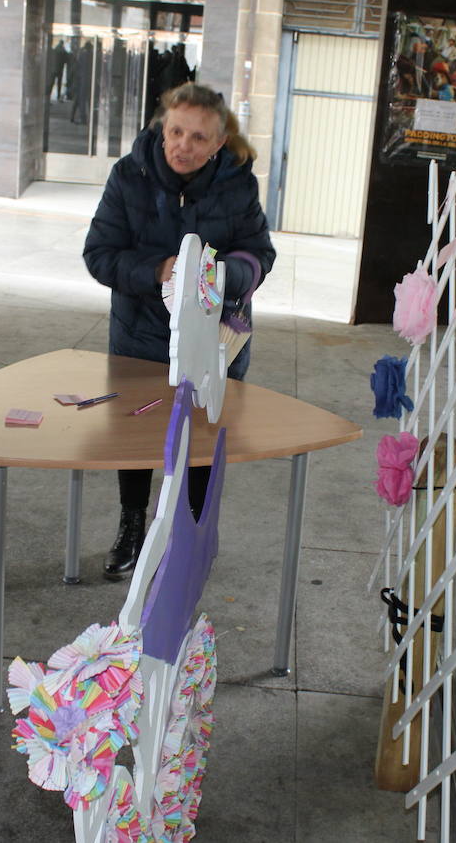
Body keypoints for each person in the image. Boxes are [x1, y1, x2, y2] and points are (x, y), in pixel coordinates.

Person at [83, 82, 275, 580]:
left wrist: (224, 275)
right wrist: (160, 269)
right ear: (161, 127)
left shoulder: (238, 184)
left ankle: (188, 535)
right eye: (175, 131)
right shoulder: (129, 176)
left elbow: (260, 253)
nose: (183, 146)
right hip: (140, 338)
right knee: (137, 440)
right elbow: (99, 256)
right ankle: (131, 526)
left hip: (216, 343)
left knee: (203, 440)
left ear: (218, 143)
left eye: (197, 137)